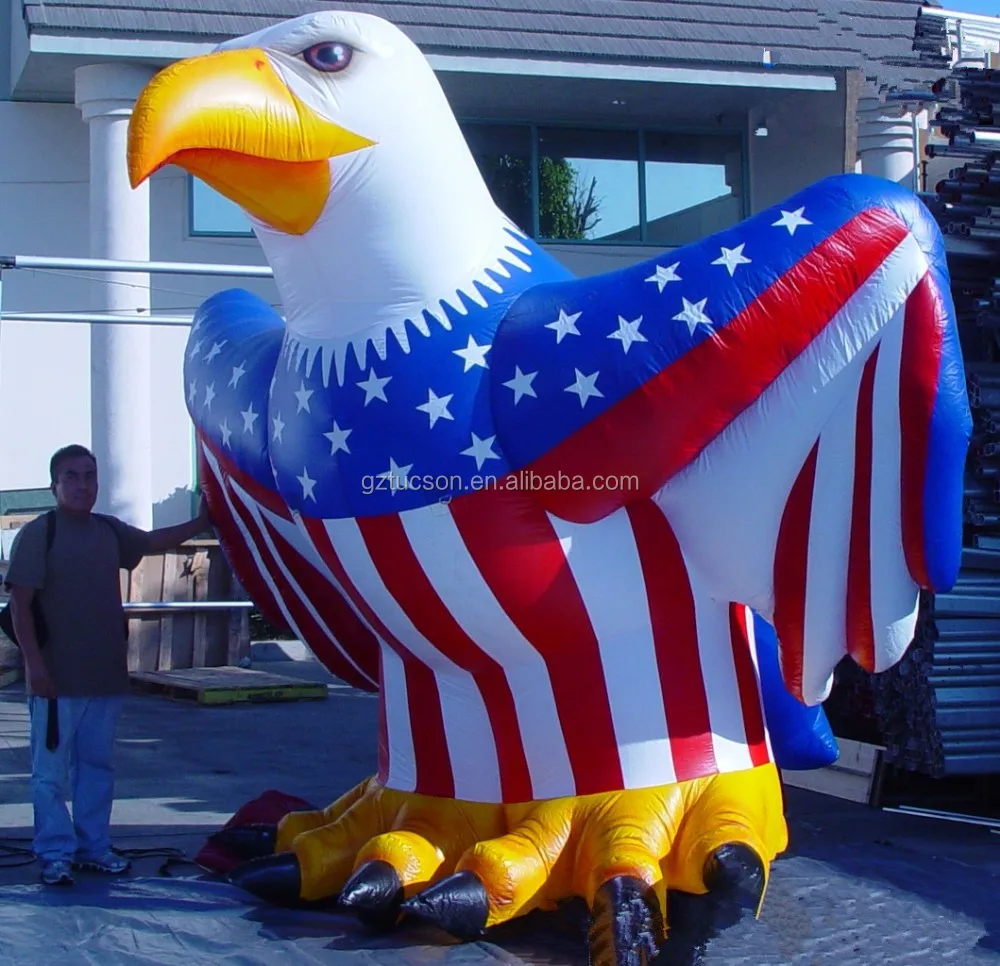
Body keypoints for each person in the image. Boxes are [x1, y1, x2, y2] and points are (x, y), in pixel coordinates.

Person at [3, 444, 212, 886]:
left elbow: (153, 542)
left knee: (96, 767)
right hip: (56, 681)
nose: (83, 485)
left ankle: (93, 847)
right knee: (50, 774)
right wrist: (35, 667)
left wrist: (201, 521)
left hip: (104, 676)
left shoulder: (108, 531)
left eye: (90, 476)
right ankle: (55, 853)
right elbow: (19, 605)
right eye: (72, 477)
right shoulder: (41, 533)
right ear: (54, 485)